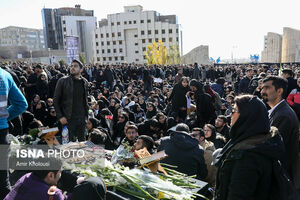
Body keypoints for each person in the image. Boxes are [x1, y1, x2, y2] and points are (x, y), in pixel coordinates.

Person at [214, 95, 285, 200]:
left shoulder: (247, 156)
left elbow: (238, 195)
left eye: (234, 110)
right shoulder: (257, 139)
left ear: (246, 116)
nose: (230, 114)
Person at [261, 76, 300, 188]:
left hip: (283, 179)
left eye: (267, 88)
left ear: (279, 91)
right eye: (262, 88)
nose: (262, 91)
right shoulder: (277, 112)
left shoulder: (283, 115)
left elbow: (273, 149)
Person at [54, 59, 89, 142]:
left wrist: (86, 117)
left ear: (81, 69)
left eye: (75, 66)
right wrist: (60, 116)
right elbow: (55, 100)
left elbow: (85, 100)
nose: (72, 68)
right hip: (68, 118)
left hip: (81, 118)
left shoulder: (85, 82)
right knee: (69, 145)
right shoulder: (62, 81)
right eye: (71, 66)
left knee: (82, 144)